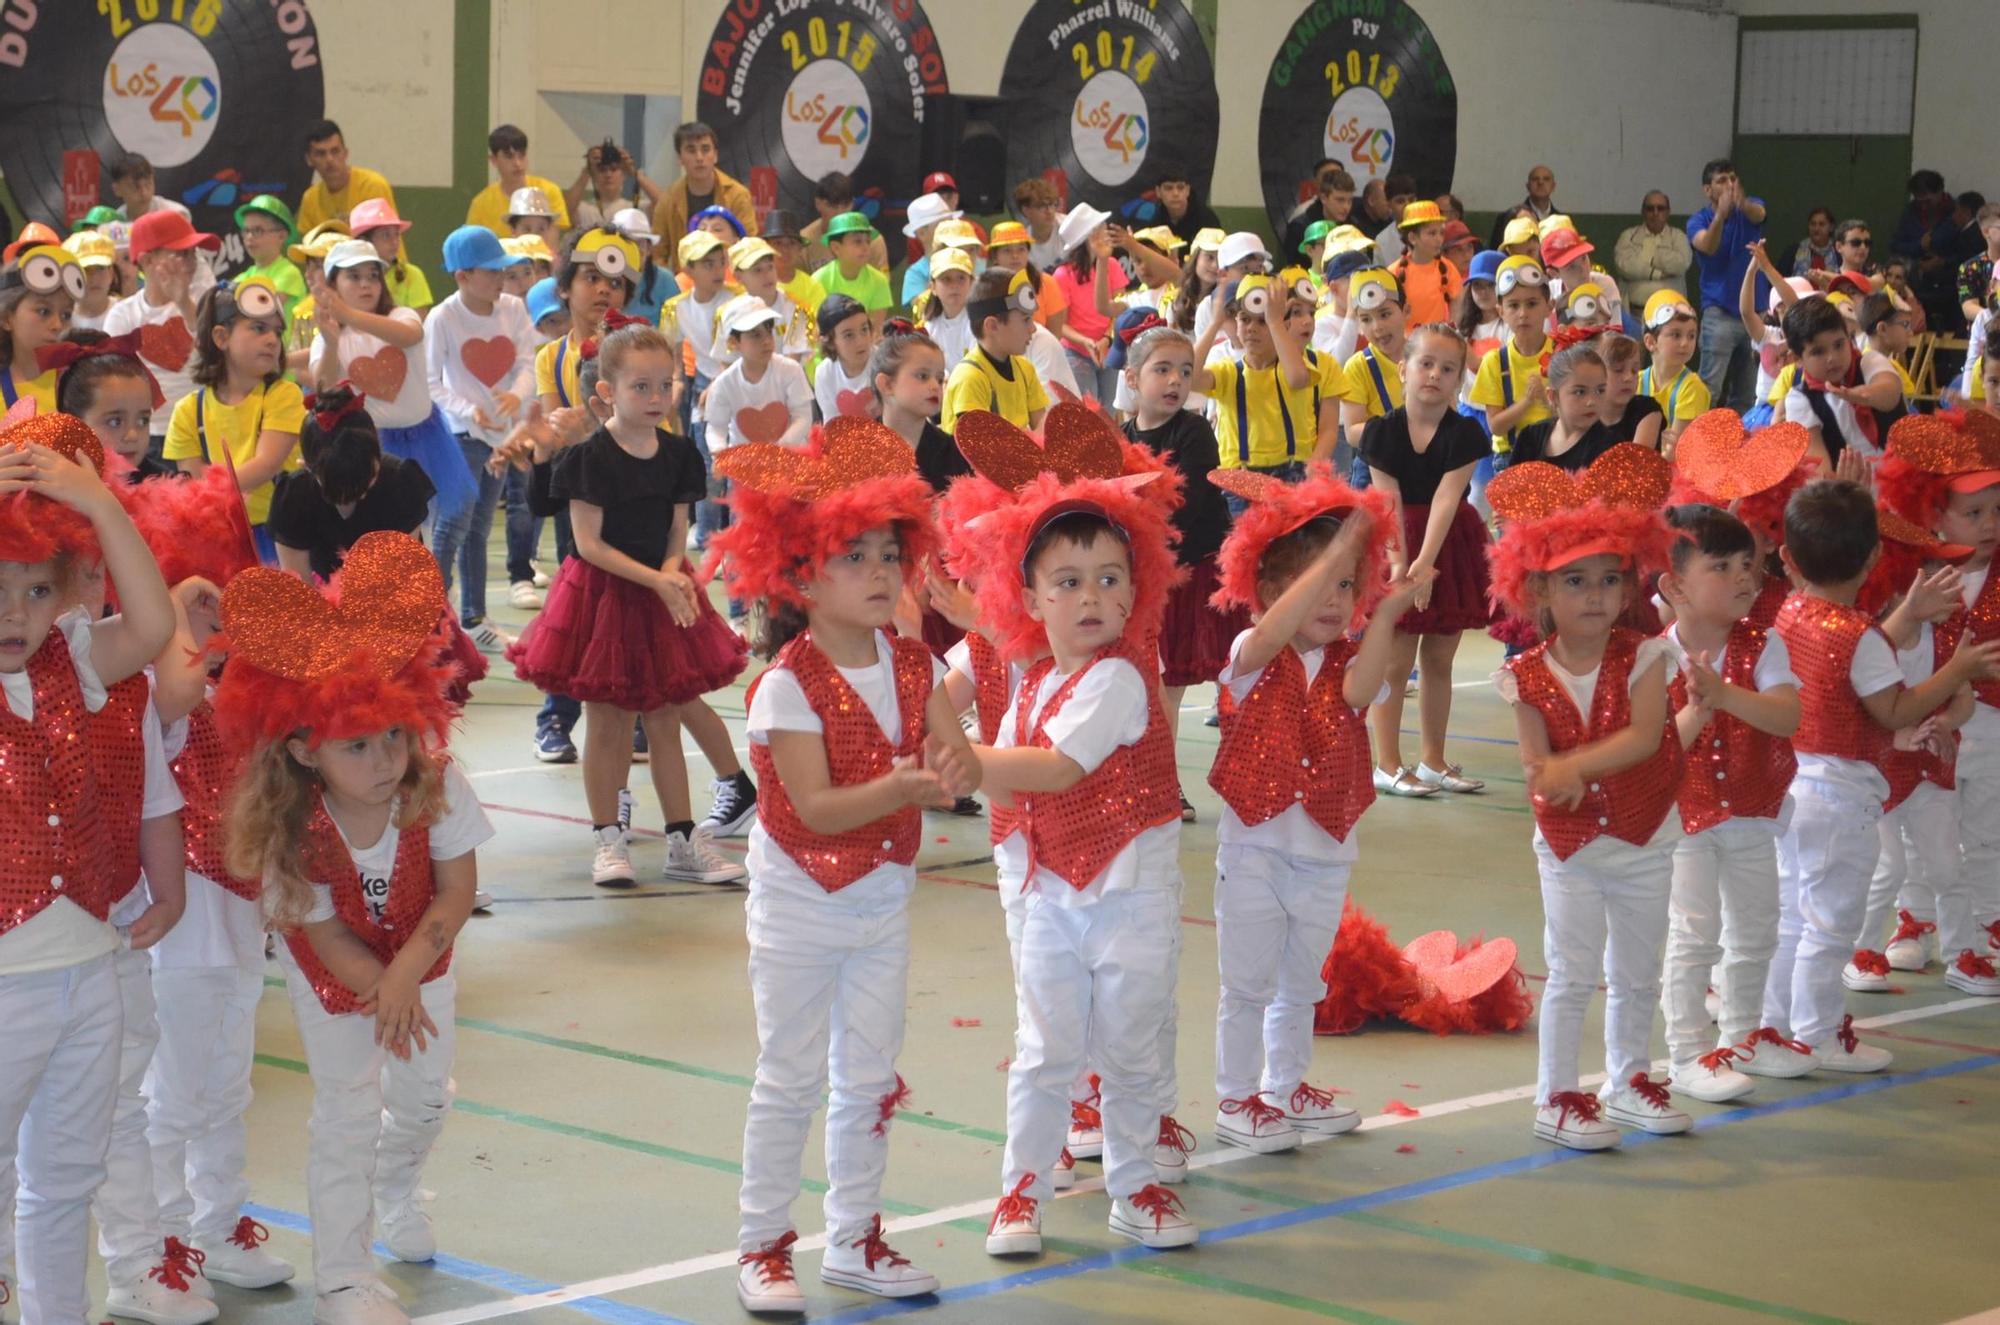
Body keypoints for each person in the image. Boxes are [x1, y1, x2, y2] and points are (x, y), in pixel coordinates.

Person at [704, 414, 973, 1310]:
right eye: (852, 556)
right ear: (799, 573)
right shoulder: (785, 683)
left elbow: (951, 755)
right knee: (788, 1074)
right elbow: (813, 808)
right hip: (798, 906)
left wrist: (959, 765)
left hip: (882, 901)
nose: (879, 573)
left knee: (869, 1072)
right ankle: (762, 1246)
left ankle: (855, 1237)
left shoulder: (913, 659)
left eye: (889, 555)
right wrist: (909, 788)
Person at [214, 530, 485, 1325]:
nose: (383, 759)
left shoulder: (436, 786)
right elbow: (324, 934)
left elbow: (457, 891)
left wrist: (405, 979)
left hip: (421, 964)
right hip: (334, 974)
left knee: (425, 1100)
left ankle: (398, 1184)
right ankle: (342, 1278)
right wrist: (379, 988)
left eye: (393, 735)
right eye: (356, 746)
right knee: (346, 1105)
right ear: (304, 750)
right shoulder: (290, 826)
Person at [948, 409, 1195, 1256]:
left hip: (1130, 897)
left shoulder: (1121, 678)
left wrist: (955, 759)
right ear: (1028, 597)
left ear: (1137, 588)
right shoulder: (1031, 679)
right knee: (1043, 1047)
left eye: (1110, 578)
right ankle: (1020, 1191)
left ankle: (1134, 1183)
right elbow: (1006, 756)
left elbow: (1053, 769)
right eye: (1068, 581)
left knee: (1128, 1047)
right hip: (1049, 892)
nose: (1092, 597)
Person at [0, 407, 178, 1325]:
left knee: (66, 1177)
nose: (15, 613)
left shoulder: (76, 656)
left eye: (35, 590)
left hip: (89, 964)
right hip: (5, 985)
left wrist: (100, 503)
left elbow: (151, 625)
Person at [119, 471, 295, 1304]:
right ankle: (159, 1247)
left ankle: (219, 1224)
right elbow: (180, 690)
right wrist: (181, 613)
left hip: (235, 907)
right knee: (175, 1087)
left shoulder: (230, 678)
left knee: (226, 1078)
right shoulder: (154, 687)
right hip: (182, 906)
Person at [1205, 466, 1416, 1151]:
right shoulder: (1249, 654)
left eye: (1347, 586)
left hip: (1326, 847)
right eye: (1319, 584)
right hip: (1255, 849)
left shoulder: (1348, 658)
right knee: (1247, 980)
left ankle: (1285, 1085)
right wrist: (1336, 548)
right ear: (1270, 591)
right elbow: (1272, 634)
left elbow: (1364, 693)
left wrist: (1383, 610)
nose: (1334, 600)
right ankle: (1236, 1097)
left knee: (1302, 980)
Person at [1487, 442, 1688, 1149]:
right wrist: (1552, 778)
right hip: (1570, 847)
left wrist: (1573, 770)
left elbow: (1643, 737)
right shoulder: (1523, 674)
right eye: (1574, 581)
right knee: (1571, 971)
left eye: (1609, 578)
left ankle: (1630, 1077)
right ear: (1538, 591)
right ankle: (1557, 1094)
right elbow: (1534, 762)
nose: (1596, 595)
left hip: (1645, 839)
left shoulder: (1647, 657)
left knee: (1638, 969)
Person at [1767, 479, 2000, 1071]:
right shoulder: (1860, 635)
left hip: (1794, 783)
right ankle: (1817, 1033)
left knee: (1795, 913)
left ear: (1788, 560)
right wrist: (1960, 669)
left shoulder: (1791, 610)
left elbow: (1851, 664)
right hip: (1841, 794)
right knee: (1831, 922)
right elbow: (1894, 708)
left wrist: (1906, 617)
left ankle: (1775, 1025)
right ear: (1873, 558)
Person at [507, 325, 750, 886]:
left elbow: (676, 530)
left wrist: (670, 573)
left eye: (664, 385)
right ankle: (607, 841)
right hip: (605, 596)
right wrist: (655, 580)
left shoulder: (680, 454)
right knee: (609, 722)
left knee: (666, 719)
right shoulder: (589, 459)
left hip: (661, 591)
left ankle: (683, 840)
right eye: (641, 387)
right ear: (605, 396)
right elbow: (589, 545)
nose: (656, 398)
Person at [1653, 503, 1803, 1102]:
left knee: (1757, 926)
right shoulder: (1653, 657)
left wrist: (1724, 693)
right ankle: (1687, 1051)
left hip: (1752, 808)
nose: (1743, 577)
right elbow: (1659, 751)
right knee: (1695, 933)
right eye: (1722, 566)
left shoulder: (1764, 645)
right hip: (1685, 818)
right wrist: (1699, 706)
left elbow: (1788, 714)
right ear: (1674, 586)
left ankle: (1743, 1034)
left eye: (1749, 563)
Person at [1876, 411, 2000, 994]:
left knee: (1984, 827)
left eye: (1996, 510)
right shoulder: (1909, 587)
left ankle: (1984, 921)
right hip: (1919, 730)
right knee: (1913, 832)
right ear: (1933, 515)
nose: (1989, 524)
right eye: (1973, 513)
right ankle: (1913, 916)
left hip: (1988, 720)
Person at [1361, 323, 1494, 798]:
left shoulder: (1465, 435)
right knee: (1396, 662)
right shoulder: (1380, 432)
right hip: (1395, 541)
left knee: (1440, 657)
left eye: (1448, 368)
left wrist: (1426, 566)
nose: (1435, 374)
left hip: (1446, 544)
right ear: (1403, 369)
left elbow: (1447, 499)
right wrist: (1401, 566)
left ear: (1460, 378)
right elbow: (1387, 499)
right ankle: (1387, 762)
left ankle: (1434, 760)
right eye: (1426, 363)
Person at [1121, 326, 1244, 775]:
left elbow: (1185, 508)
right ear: (1132, 379)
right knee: (1157, 687)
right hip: (1151, 579)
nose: (1176, 380)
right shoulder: (1122, 438)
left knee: (1213, 680)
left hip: (1196, 573)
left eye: (1185, 371)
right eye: (1163, 370)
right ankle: (1158, 781)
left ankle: (1234, 774)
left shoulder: (1193, 433)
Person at [309, 240, 475, 542]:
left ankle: (427, 586)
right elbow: (323, 388)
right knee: (378, 532)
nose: (366, 284)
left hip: (425, 439)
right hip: (371, 449)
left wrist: (350, 315)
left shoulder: (400, 315)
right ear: (333, 284)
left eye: (373, 276)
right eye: (353, 276)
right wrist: (333, 342)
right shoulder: (329, 335)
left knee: (422, 529)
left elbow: (412, 335)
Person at [426, 225, 540, 620]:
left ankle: (474, 616)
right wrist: (464, 409)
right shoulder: (442, 318)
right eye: (491, 272)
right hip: (460, 437)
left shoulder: (513, 309)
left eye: (502, 271)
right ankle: (434, 617)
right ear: (463, 276)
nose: (500, 279)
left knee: (478, 528)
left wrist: (517, 395)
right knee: (452, 524)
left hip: (502, 438)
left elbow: (528, 362)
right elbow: (430, 382)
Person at [164, 279, 305, 562]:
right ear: (221, 337)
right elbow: (192, 486)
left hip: (283, 537)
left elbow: (267, 464)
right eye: (258, 328)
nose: (272, 340)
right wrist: (213, 496)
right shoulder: (188, 411)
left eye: (277, 332)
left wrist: (213, 491)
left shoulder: (283, 395)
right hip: (221, 541)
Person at [102, 211, 218, 448]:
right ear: (147, 261)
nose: (191, 261)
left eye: (193, 253)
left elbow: (216, 350)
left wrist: (184, 301)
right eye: (181, 253)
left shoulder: (203, 303)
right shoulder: (122, 315)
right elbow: (116, 380)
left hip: (204, 428)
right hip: (148, 435)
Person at [661, 229, 733, 537]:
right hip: (702, 384)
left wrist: (719, 383)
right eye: (707, 264)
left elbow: (738, 355)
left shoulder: (736, 301)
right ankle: (707, 538)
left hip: (733, 382)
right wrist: (676, 379)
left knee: (738, 465)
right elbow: (673, 350)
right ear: (688, 270)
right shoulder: (676, 306)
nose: (717, 270)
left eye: (720, 262)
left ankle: (734, 538)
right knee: (707, 463)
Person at [1687, 159, 1767, 412]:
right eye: (1722, 180)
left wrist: (1741, 203)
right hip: (1718, 313)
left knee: (1748, 392)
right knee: (1709, 389)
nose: (1730, 185)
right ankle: (1696, 446)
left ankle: (1740, 446)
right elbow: (1707, 245)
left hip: (1755, 314)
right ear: (1707, 190)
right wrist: (1721, 215)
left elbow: (1759, 214)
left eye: (1733, 179)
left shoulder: (1751, 206)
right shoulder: (1697, 221)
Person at [1470, 256, 1555, 464]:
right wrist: (1527, 402)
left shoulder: (1563, 353)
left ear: (1549, 307)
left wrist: (1547, 400)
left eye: (1532, 304)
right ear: (1501, 311)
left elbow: (1575, 415)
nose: (1523, 314)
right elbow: (1496, 426)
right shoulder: (1494, 362)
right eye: (1514, 306)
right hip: (1511, 456)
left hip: (1556, 450)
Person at [941, 270, 1048, 431]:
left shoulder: (1025, 369)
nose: (1033, 329)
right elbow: (980, 451)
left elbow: (1042, 431)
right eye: (1026, 320)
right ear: (992, 326)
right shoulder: (970, 379)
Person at [1048, 205, 1129, 406]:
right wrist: (1085, 341)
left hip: (1109, 349)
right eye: (1099, 227)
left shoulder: (1112, 265)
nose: (1104, 231)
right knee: (1087, 413)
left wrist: (1106, 339)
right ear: (1088, 237)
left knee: (1109, 412)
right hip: (1076, 352)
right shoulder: (1062, 274)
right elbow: (1061, 324)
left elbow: (1120, 309)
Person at [650, 122, 756, 269]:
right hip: (684, 284)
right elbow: (657, 255)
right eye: (691, 150)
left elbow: (749, 248)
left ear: (716, 155)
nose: (699, 157)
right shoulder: (668, 200)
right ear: (680, 158)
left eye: (705, 149)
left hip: (731, 282)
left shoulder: (738, 195)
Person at [0, 238, 82, 414]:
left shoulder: (81, 383)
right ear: (7, 318)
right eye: (44, 311)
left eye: (66, 315)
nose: (57, 325)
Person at [466, 124, 572, 237]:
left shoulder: (549, 191)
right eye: (509, 156)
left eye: (522, 155)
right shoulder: (481, 204)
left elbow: (552, 242)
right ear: (494, 160)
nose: (517, 163)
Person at [296, 121, 399, 235]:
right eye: (321, 154)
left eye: (335, 151)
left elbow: (385, 244)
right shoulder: (310, 199)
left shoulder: (372, 186)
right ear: (309, 160)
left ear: (345, 153)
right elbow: (307, 248)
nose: (329, 159)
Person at [1640, 290, 1711, 450]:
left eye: (1691, 336)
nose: (1685, 343)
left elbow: (1675, 451)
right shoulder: (1636, 382)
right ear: (1651, 342)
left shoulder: (1692, 388)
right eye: (1676, 335)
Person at [730, 236, 811, 364]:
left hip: (787, 380)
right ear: (738, 277)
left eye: (770, 267)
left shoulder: (798, 308)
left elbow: (793, 359)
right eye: (757, 270)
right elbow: (727, 362)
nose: (767, 275)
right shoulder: (730, 312)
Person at [347, 200, 433, 318]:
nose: (394, 242)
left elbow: (418, 325)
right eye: (385, 235)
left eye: (397, 234)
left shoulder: (412, 275)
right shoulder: (346, 279)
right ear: (364, 241)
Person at [812, 213, 892, 335]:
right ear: (836, 248)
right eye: (858, 241)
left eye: (868, 241)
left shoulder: (879, 281)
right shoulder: (819, 280)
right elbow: (816, 329)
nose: (865, 247)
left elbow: (875, 329)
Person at [1614, 191, 1693, 312]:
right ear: (1643, 212)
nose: (1655, 213)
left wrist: (1648, 257)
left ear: (1668, 212)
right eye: (1650, 209)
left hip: (1671, 314)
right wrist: (1658, 274)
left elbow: (1680, 264)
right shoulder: (1628, 236)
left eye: (1660, 208)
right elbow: (1625, 266)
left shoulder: (1678, 237)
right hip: (1634, 313)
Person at [1388, 202, 1463, 327]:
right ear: (1412, 238)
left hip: (1437, 340)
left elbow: (1457, 310)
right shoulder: (1394, 272)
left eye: (1441, 233)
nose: (1439, 239)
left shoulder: (1448, 268)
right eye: (1432, 233)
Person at [566, 139, 663, 236]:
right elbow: (566, 210)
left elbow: (664, 203)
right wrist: (588, 170)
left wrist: (635, 173)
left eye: (614, 169)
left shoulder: (636, 209)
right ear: (594, 175)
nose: (608, 174)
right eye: (602, 170)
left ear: (624, 175)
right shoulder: (585, 210)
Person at [232, 196, 306, 320]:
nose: (249, 237)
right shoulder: (244, 277)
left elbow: (264, 311)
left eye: (257, 230)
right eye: (246, 231)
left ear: (281, 236)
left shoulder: (288, 273)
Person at [801, 174, 890, 274]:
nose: (839, 213)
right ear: (818, 204)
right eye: (832, 205)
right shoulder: (804, 241)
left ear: (852, 203)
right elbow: (795, 284)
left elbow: (883, 284)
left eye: (845, 205)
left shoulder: (872, 240)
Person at [814, 294, 880, 423]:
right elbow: (832, 423)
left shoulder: (884, 362)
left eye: (864, 329)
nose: (861, 341)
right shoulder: (824, 373)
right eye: (849, 335)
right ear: (830, 342)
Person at [1596, 333, 1664, 451]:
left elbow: (1636, 462)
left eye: (1634, 370)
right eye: (1618, 370)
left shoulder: (1647, 410)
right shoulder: (1586, 415)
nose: (1628, 377)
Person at [896, 192, 962, 307]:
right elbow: (922, 311)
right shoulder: (915, 273)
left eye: (951, 223)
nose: (951, 228)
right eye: (943, 225)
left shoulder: (965, 260)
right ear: (921, 233)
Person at [1279, 162, 1354, 264]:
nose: (1346, 207)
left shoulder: (1352, 226)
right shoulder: (1300, 228)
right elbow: (1292, 270)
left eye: (1349, 201)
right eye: (1340, 200)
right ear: (1323, 198)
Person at [914, 247, 975, 370]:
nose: (954, 285)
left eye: (961, 278)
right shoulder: (929, 327)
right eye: (946, 279)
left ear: (972, 284)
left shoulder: (979, 323)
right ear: (933, 287)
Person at [1486, 164, 1560, 250]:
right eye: (1535, 179)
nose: (1540, 182)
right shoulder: (1507, 218)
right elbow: (1496, 252)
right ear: (1528, 186)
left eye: (1546, 179)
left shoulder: (1562, 221)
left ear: (1553, 186)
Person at [1957, 202, 2000, 330]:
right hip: (1985, 337)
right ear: (1986, 232)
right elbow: (1968, 307)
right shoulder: (1971, 267)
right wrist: (1994, 319)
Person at [1155, 167, 1221, 248]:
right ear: (1158, 192)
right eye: (1168, 188)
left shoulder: (1206, 219)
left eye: (1180, 187)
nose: (1175, 193)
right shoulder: (1154, 220)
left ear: (1188, 190)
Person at [1013, 177, 1066, 272]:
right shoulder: (1023, 244)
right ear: (1026, 211)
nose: (1049, 211)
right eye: (1041, 206)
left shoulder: (1068, 226)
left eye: (1052, 204)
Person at [1789, 207, 1839, 282]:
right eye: (1813, 224)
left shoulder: (1839, 251)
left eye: (1821, 224)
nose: (1816, 229)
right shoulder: (1794, 251)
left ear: (1831, 227)